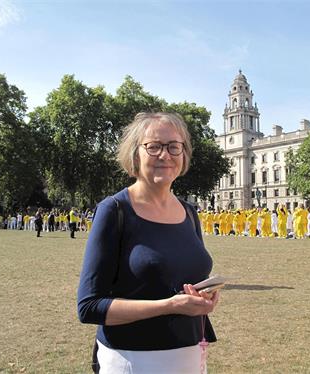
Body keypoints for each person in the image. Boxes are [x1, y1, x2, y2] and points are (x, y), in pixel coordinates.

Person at [77, 112, 219, 373]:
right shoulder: (114, 210)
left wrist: (203, 299)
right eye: (153, 146)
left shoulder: (189, 212)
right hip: (133, 359)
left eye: (174, 146)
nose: (165, 155)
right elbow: (89, 307)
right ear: (135, 155)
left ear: (184, 155)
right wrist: (169, 305)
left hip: (189, 356)